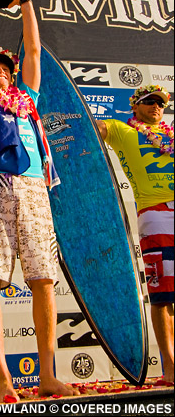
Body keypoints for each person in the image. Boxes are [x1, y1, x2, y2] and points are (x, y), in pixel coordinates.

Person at [0, 0, 79, 403]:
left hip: (32, 186)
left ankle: (47, 376)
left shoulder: (26, 96)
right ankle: (2, 379)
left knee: (43, 279)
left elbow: (33, 51)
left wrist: (27, 2)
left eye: (3, 68)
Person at [96, 84, 174, 383]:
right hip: (155, 215)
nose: (157, 106)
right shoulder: (121, 129)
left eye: (162, 103)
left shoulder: (171, 134)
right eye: (150, 101)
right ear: (135, 106)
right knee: (162, 296)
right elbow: (94, 130)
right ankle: (170, 366)